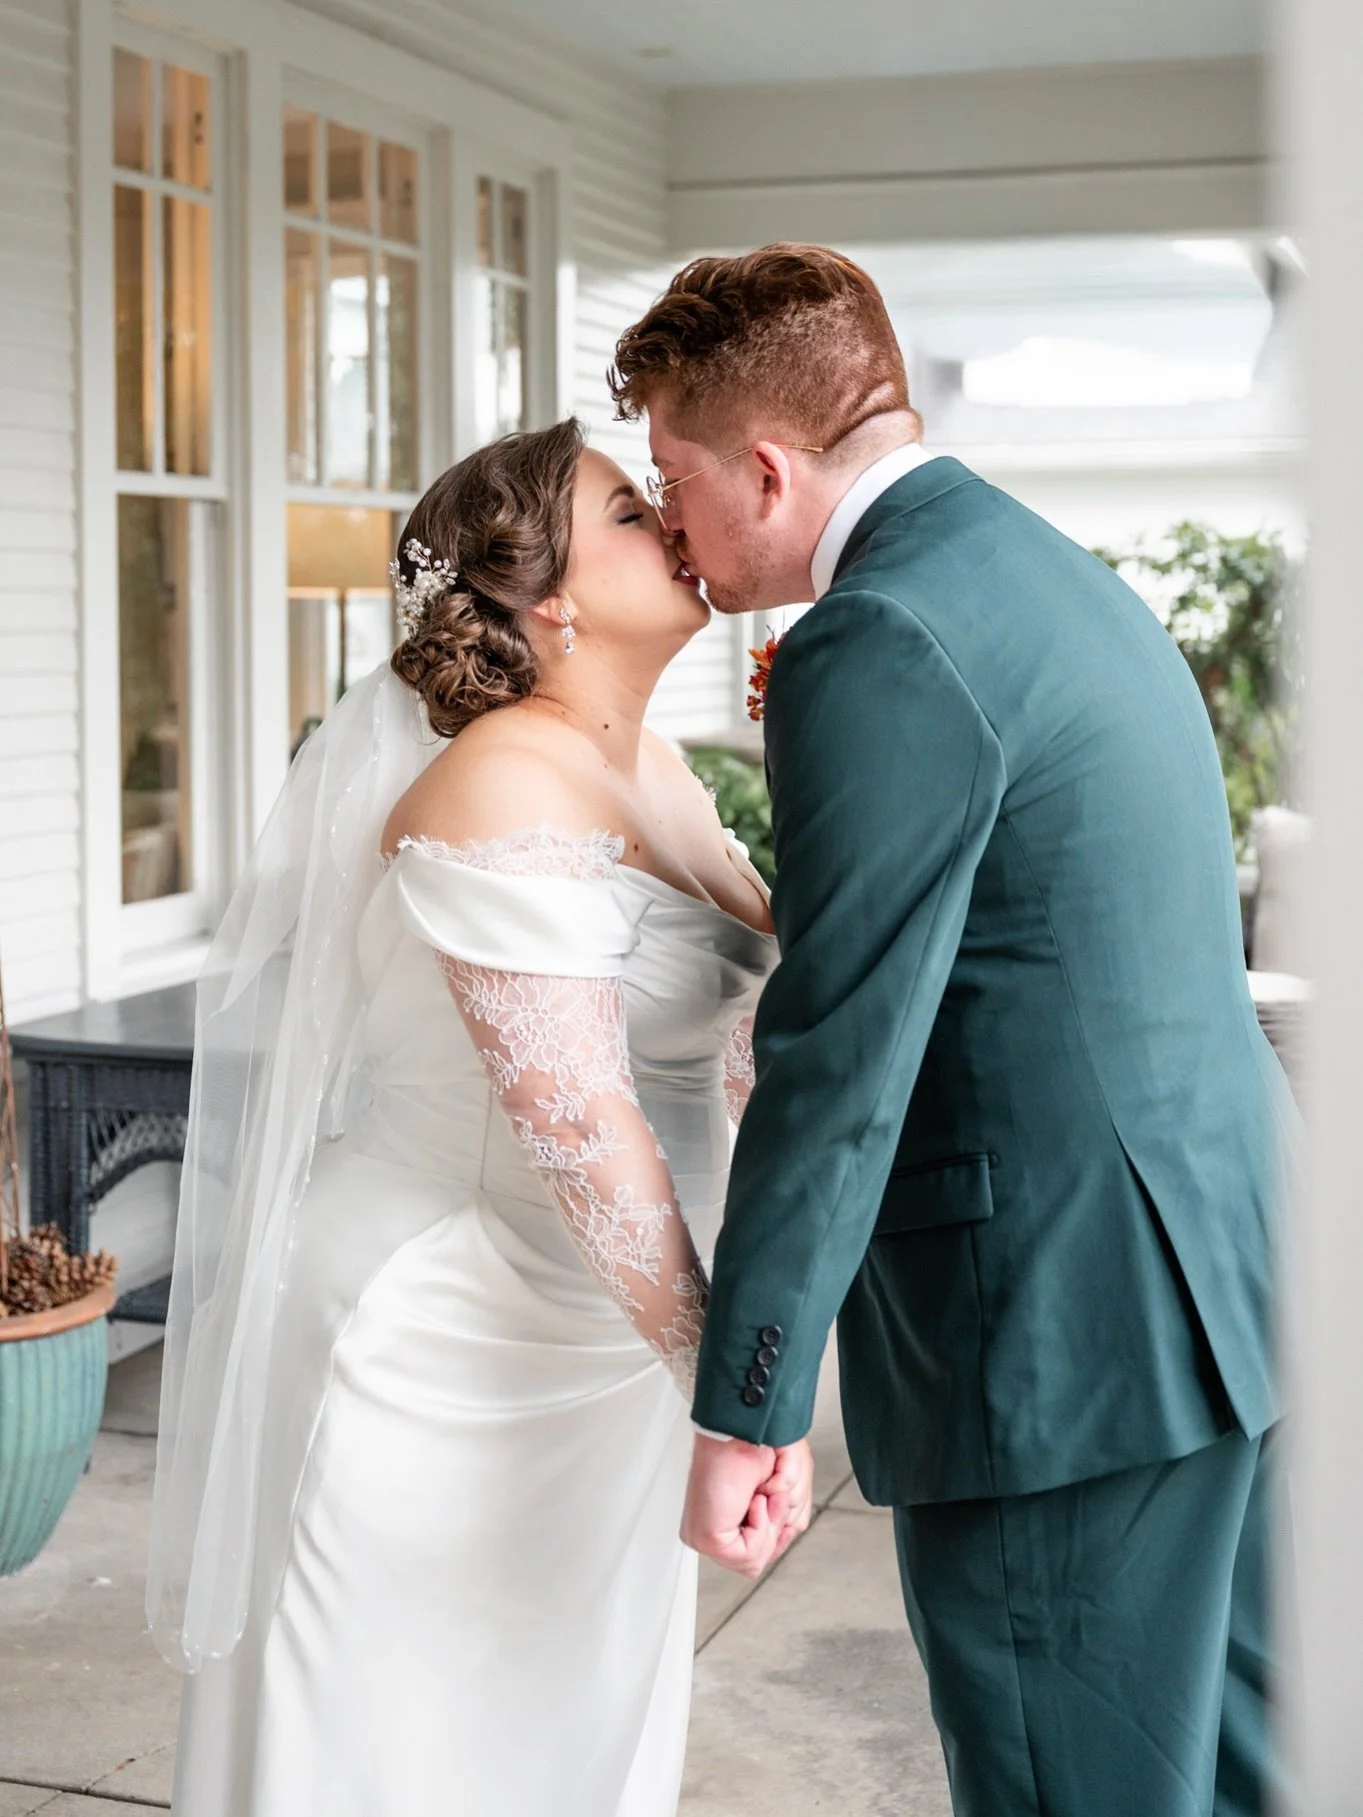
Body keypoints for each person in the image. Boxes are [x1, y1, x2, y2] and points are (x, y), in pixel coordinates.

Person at [610, 243, 1295, 1817]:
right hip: (1234, 1286)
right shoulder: (1045, 569)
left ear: (767, 471)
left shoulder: (879, 638)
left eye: (673, 477)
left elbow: (839, 1054)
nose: (673, 526)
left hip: (1062, 1344)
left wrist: (750, 1403)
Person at [148, 417, 809, 1816]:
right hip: (446, 1334)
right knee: (406, 1746)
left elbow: (745, 1048)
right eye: (633, 512)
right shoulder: (498, 777)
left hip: (613, 1332)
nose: (672, 525)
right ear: (546, 595)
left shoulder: (662, 773)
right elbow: (578, 1130)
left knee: (574, 1737)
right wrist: (737, 1388)